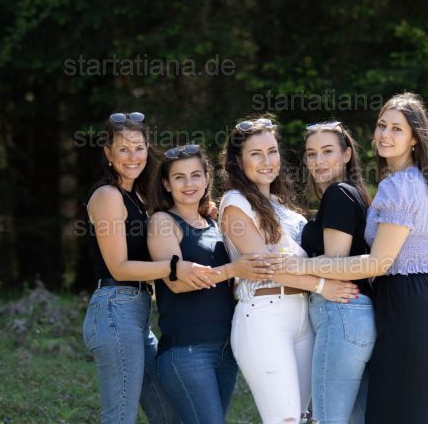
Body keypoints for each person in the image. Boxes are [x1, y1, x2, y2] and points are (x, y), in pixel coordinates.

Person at [271, 94, 428, 424]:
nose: (385, 134)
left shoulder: (400, 186)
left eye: (397, 129)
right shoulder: (411, 180)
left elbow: (377, 263)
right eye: (382, 125)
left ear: (415, 138)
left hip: (409, 309)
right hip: (422, 305)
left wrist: (303, 266)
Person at [218, 117, 359, 424]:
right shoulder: (235, 202)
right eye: (256, 154)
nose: (267, 161)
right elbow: (264, 266)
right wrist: (323, 286)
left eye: (272, 151)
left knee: (306, 417)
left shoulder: (282, 204)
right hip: (264, 316)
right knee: (285, 420)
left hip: (303, 316)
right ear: (238, 161)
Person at [82, 112, 215, 424]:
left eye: (139, 148)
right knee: (120, 417)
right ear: (108, 153)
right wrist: (174, 268)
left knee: (169, 414)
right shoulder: (107, 196)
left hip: (136, 315)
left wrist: (201, 211)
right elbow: (118, 268)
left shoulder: (139, 198)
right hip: (115, 309)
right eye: (124, 149)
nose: (133, 157)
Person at [147, 143, 272, 424]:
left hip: (227, 350)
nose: (189, 184)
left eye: (195, 175)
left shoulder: (215, 224)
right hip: (188, 351)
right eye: (179, 177)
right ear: (166, 184)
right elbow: (177, 283)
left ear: (207, 179)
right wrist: (233, 269)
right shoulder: (163, 222)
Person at [301, 121, 375, 424]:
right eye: (311, 154)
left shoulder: (337, 194)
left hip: (340, 313)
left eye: (327, 151)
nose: (318, 161)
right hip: (358, 317)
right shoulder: (355, 195)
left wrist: (293, 267)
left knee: (328, 419)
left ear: (346, 154)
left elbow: (335, 264)